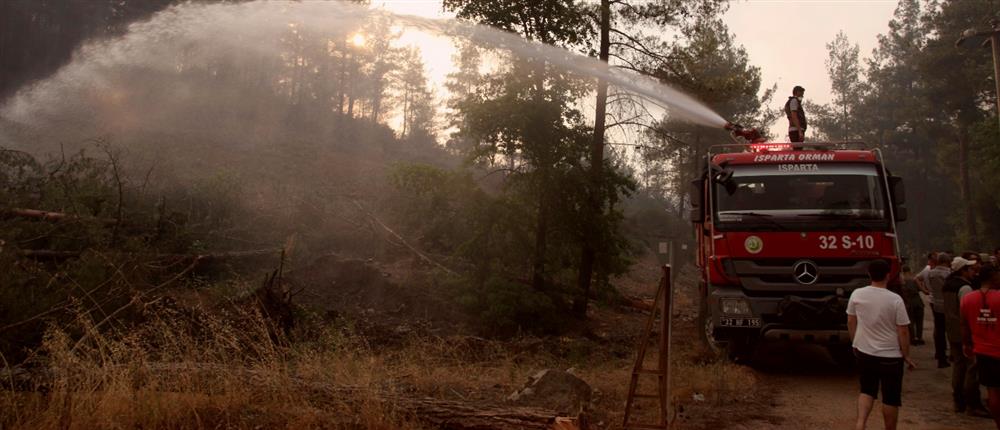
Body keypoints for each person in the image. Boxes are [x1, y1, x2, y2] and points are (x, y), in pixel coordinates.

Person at [848, 260, 914, 430]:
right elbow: (903, 331)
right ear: (888, 275)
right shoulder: (895, 299)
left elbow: (851, 320)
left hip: (865, 351)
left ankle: (860, 423)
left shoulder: (857, 294)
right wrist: (906, 355)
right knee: (890, 397)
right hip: (891, 356)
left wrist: (855, 341)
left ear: (869, 274)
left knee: (866, 390)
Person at [945, 257, 989, 416]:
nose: (973, 271)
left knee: (958, 365)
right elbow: (967, 312)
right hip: (964, 331)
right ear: (962, 270)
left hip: (951, 329)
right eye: (969, 269)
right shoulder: (965, 288)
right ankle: (973, 403)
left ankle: (958, 400)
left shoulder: (948, 285)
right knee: (972, 368)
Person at [961, 264, 1000, 428]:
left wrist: (966, 344)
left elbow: (964, 325)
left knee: (993, 391)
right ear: (992, 277)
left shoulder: (968, 299)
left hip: (982, 350)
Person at [928, 253, 953, 368]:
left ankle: (940, 355)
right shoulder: (949, 273)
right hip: (948, 305)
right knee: (951, 330)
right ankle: (952, 354)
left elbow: (929, 287)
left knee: (939, 332)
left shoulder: (931, 273)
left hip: (936, 304)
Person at [900, 266, 925, 345]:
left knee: (911, 321)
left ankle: (912, 338)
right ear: (910, 271)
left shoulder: (902, 281)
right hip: (917, 301)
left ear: (903, 272)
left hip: (908, 302)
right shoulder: (914, 279)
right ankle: (919, 338)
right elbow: (922, 290)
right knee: (919, 321)